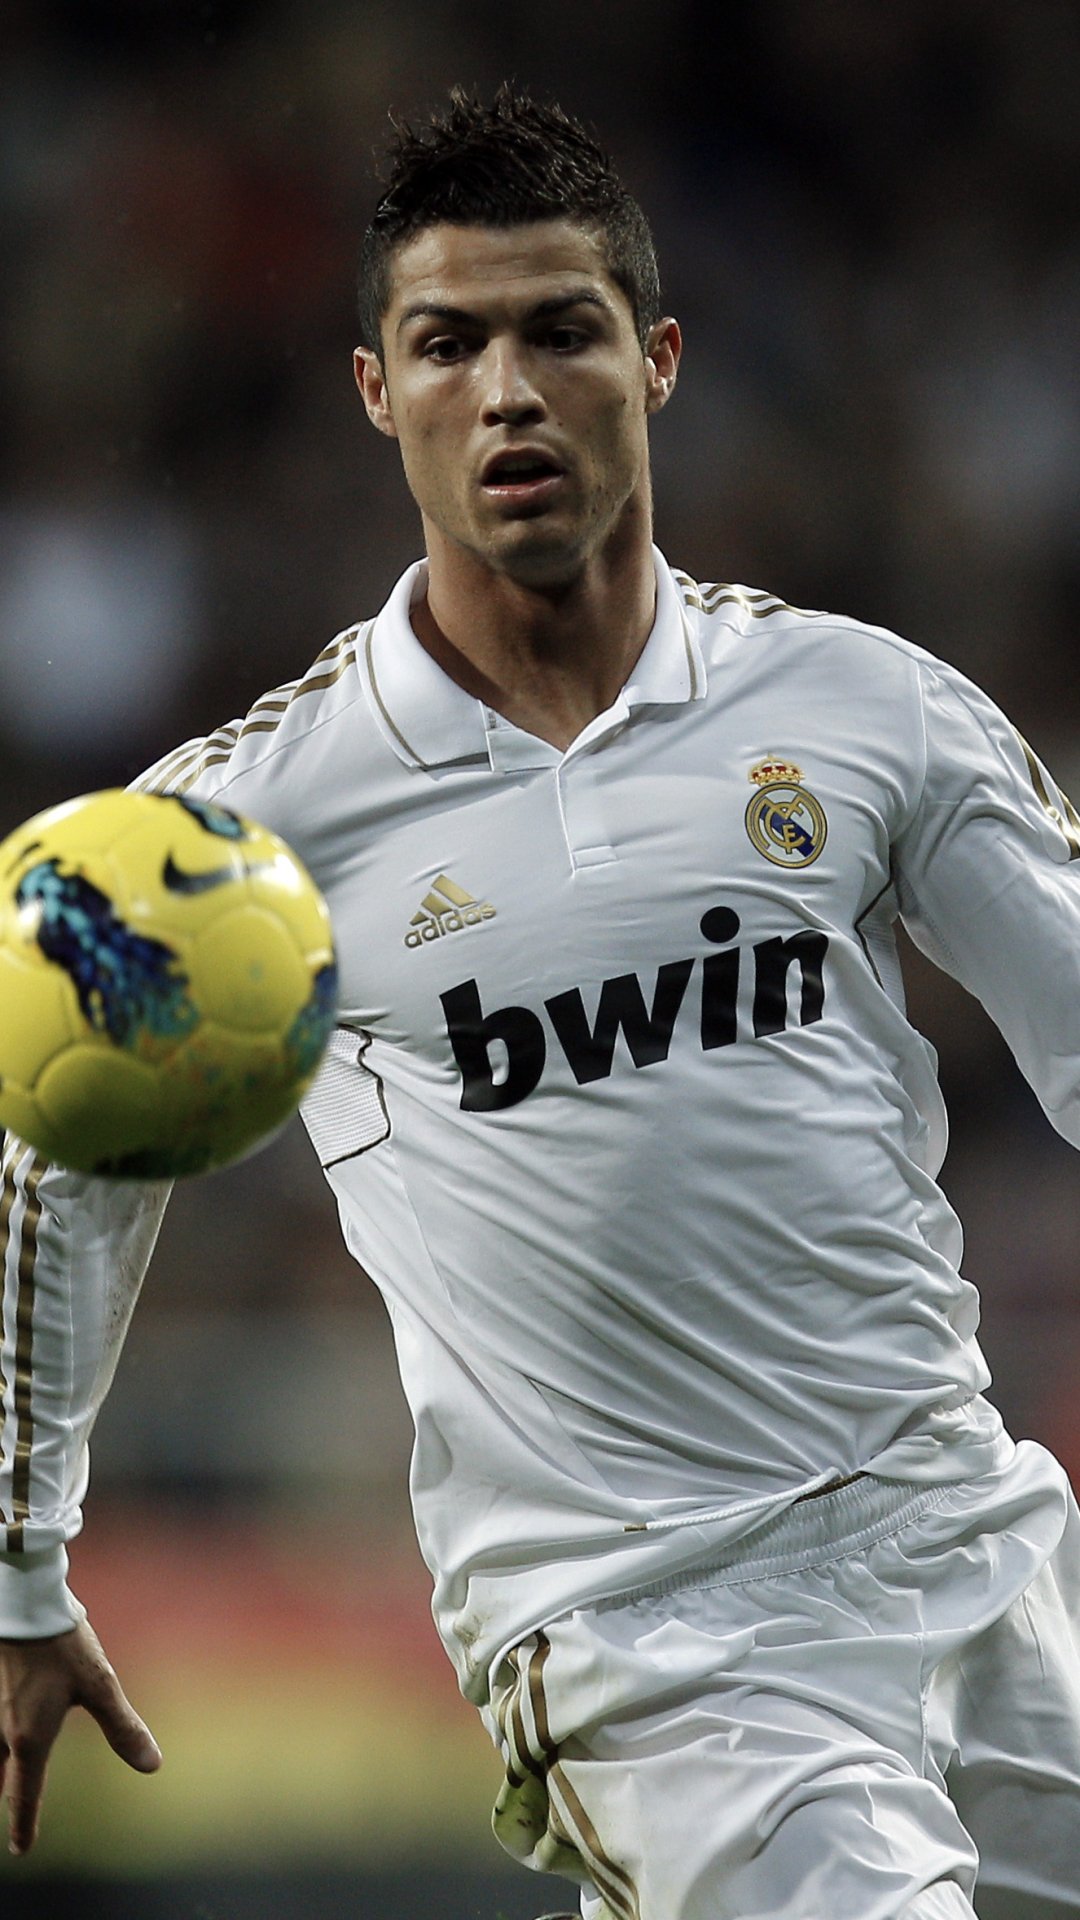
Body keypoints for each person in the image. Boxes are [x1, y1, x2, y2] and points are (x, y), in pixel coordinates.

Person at [1, 84, 1079, 1920]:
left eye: (559, 332)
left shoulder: (863, 706)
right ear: (376, 393)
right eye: (449, 343)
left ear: (653, 362)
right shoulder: (242, 828)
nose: (507, 388)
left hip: (972, 1540)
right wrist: (20, 1567)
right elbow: (65, 1179)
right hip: (648, 1640)